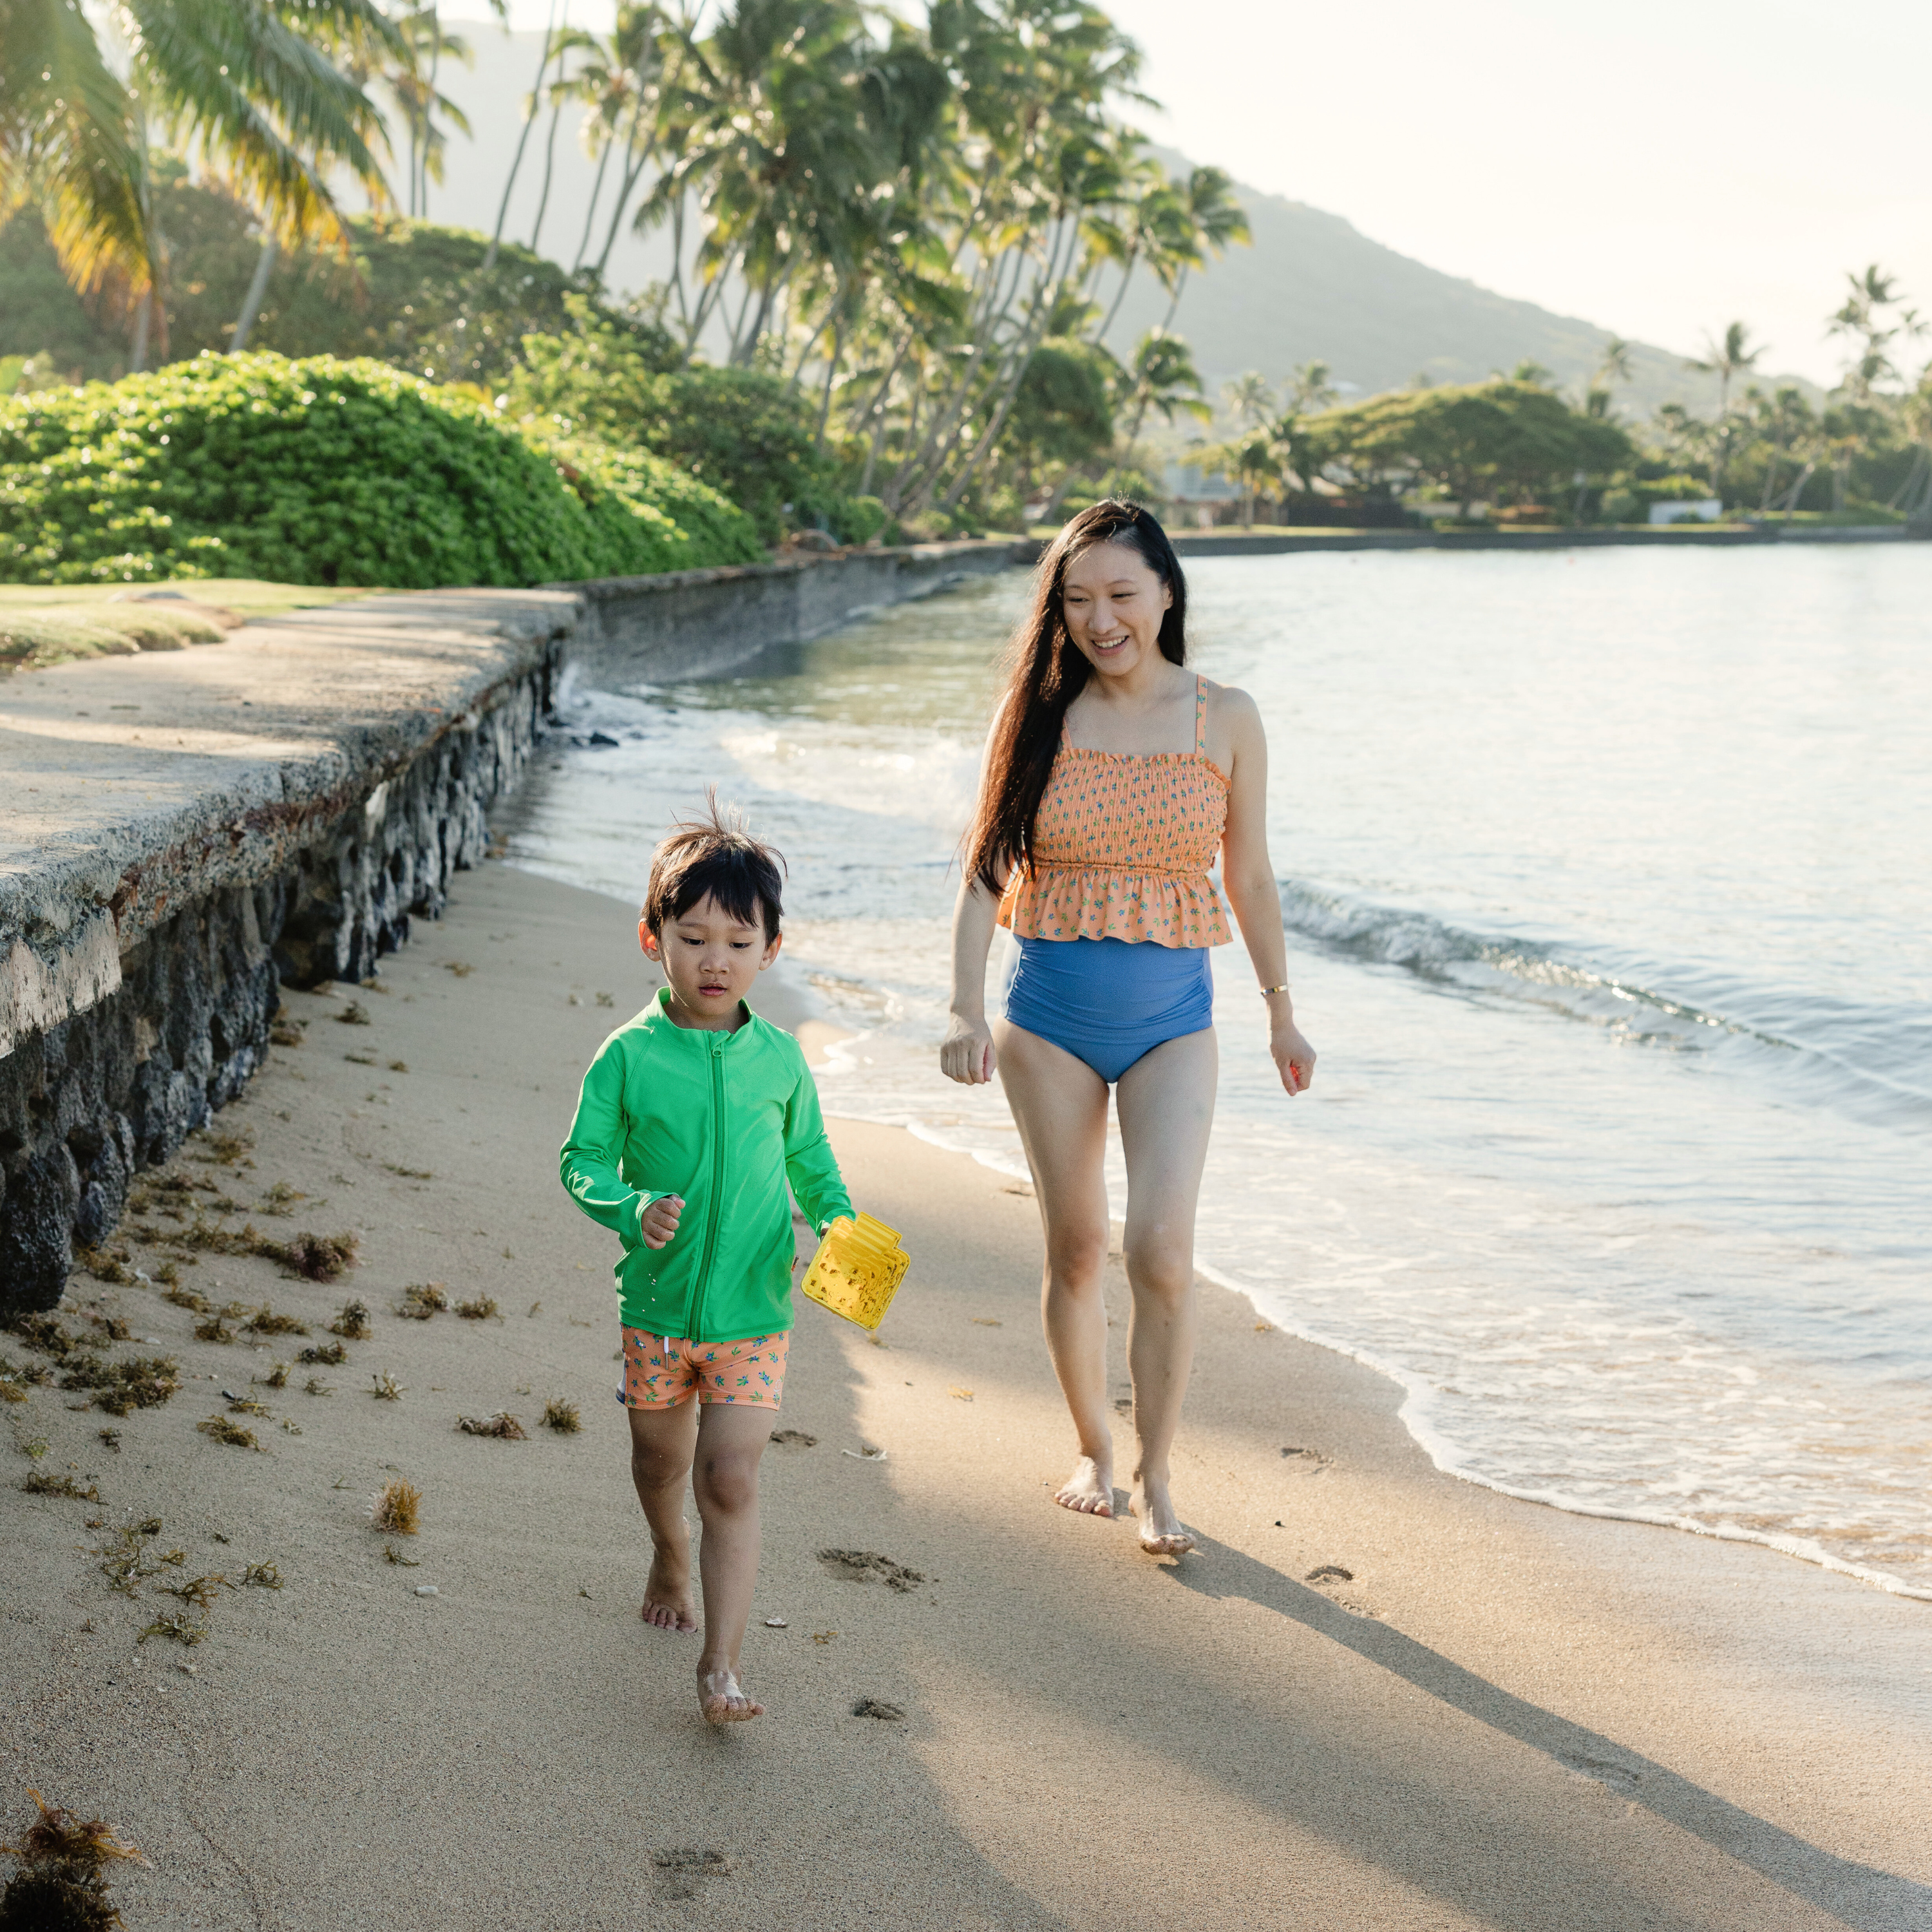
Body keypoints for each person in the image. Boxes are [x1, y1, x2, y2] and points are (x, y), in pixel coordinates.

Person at [941, 500, 1315, 1557]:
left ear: (1165, 591)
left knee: (1159, 1252)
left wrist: (1282, 1010)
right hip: (1047, 1020)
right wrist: (964, 1006)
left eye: (1120, 595)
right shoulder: (1038, 718)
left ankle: (1157, 1477)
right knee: (1073, 1251)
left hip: (1175, 1024)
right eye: (1077, 600)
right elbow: (983, 875)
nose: (1101, 619)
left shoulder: (1226, 716)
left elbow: (1248, 874)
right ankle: (1092, 1452)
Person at [560, 798, 854, 1723]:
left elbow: (809, 1160)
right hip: (655, 1307)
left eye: (737, 939)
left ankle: (720, 1667)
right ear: (653, 941)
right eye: (693, 938)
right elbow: (582, 1162)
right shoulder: (629, 1056)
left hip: (754, 1311)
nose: (714, 959)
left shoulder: (780, 1061)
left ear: (771, 948)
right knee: (658, 1461)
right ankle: (666, 1550)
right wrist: (629, 1208)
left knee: (729, 1476)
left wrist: (838, 1223)